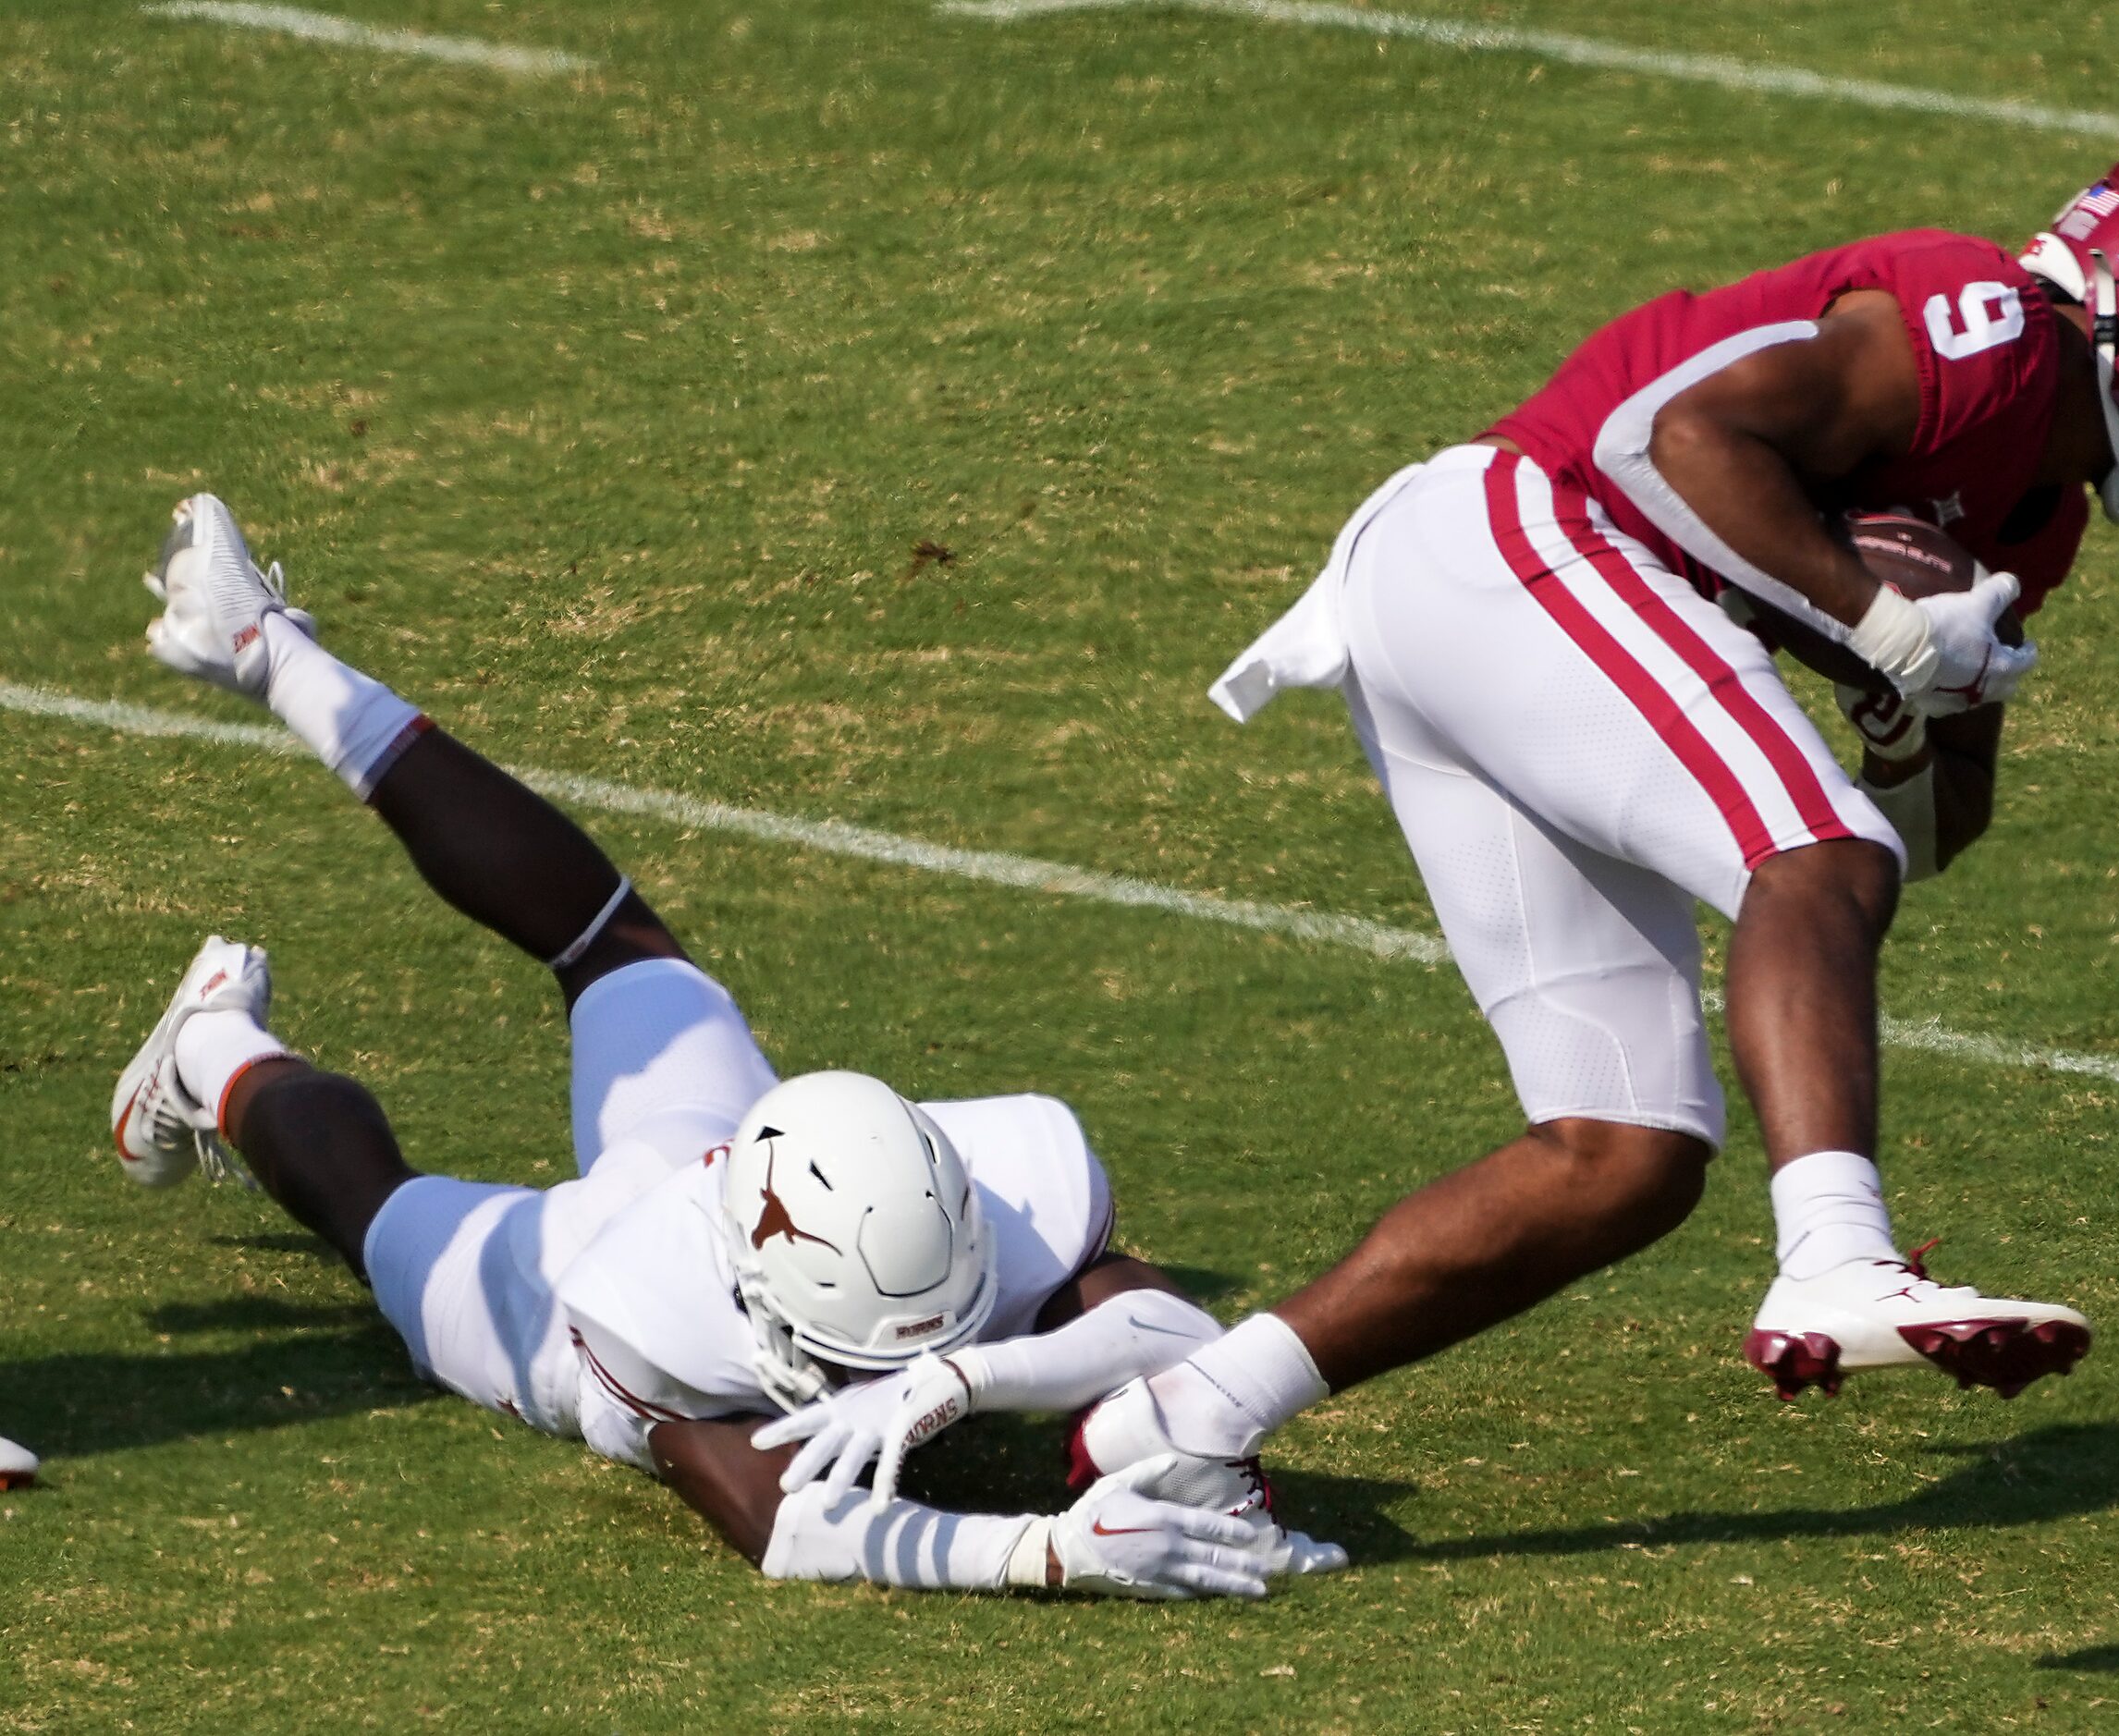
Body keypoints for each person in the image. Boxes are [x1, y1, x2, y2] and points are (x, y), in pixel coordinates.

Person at [1014, 156, 2119, 1482]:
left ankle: (1180, 1423)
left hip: (1464, 600)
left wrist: (1900, 711)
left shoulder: (2035, 524)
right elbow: (1668, 438)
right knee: (1811, 849)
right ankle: (1835, 1252)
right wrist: (1878, 626)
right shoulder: (1984, 327)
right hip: (1520, 531)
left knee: (1625, 1150)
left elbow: (1932, 829)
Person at [109, 494, 1345, 1599]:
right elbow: (784, 1521)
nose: (942, 1346)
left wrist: (966, 1384)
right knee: (370, 1210)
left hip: (708, 1136)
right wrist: (1039, 1550)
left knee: (617, 942)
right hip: (576, 1279)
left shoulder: (966, 1187)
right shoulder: (659, 1315)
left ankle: (269, 651)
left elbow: (1180, 1332)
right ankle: (212, 1047)